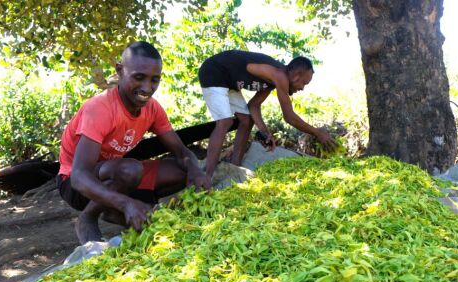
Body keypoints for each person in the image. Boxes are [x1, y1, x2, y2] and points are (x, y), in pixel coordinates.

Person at [57, 41, 211, 244]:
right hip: (75, 184)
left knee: (183, 171)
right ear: (120, 71)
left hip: (114, 176)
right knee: (130, 169)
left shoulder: (152, 109)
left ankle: (114, 212)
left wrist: (196, 170)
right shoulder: (100, 108)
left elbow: (181, 151)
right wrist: (126, 203)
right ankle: (88, 217)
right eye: (139, 77)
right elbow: (78, 176)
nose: (147, 88)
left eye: (154, 80)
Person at [198, 50, 337, 180]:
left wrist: (265, 132)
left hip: (229, 81)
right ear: (296, 76)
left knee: (246, 120)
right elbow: (289, 117)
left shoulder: (272, 81)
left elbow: (254, 105)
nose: (302, 88)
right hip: (214, 71)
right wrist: (317, 132)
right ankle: (207, 177)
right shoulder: (278, 75)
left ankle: (235, 168)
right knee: (225, 122)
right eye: (304, 83)